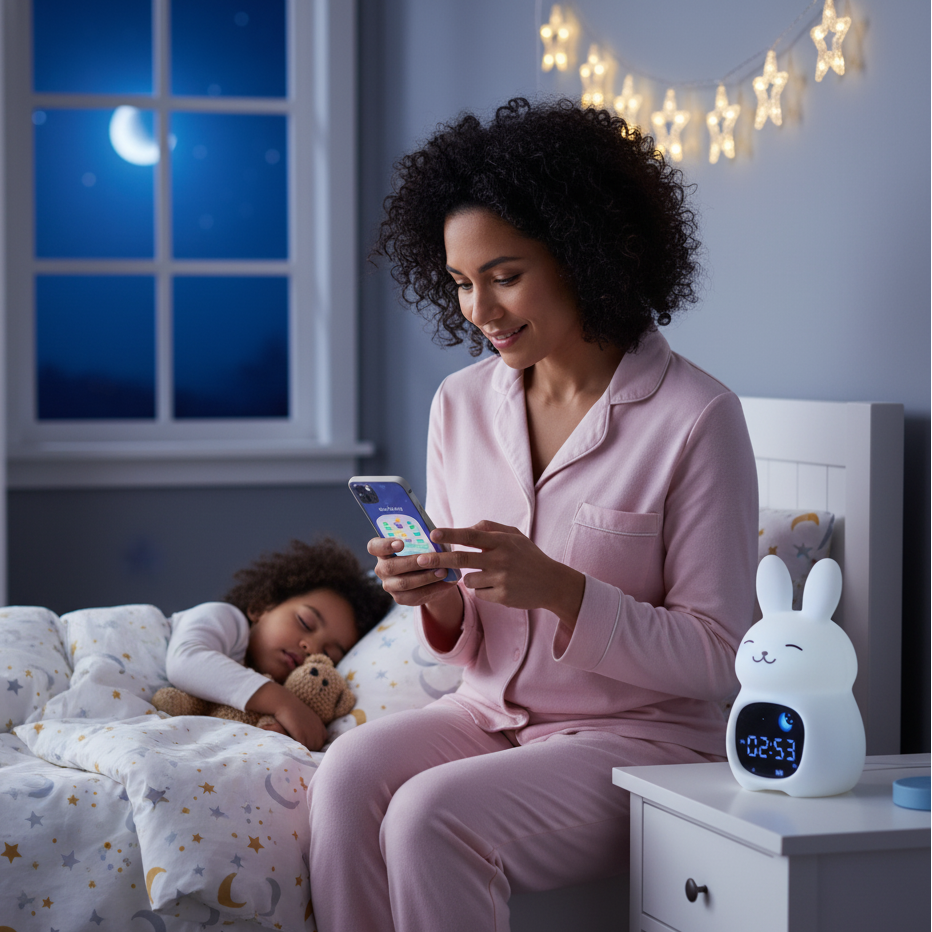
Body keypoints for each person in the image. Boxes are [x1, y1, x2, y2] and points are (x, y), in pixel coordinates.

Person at [307, 98, 759, 931]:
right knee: (342, 777)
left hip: (642, 743)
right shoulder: (460, 404)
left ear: (586, 255)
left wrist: (563, 591)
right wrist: (436, 599)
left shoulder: (697, 418)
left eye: (504, 275)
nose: (479, 310)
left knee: (427, 815)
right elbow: (467, 641)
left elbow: (722, 658)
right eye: (460, 282)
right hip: (486, 714)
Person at [165, 538, 392, 751]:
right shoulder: (225, 619)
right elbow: (185, 661)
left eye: (328, 653)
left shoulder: (279, 692)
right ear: (262, 607)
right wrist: (284, 703)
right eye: (305, 622)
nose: (310, 647)